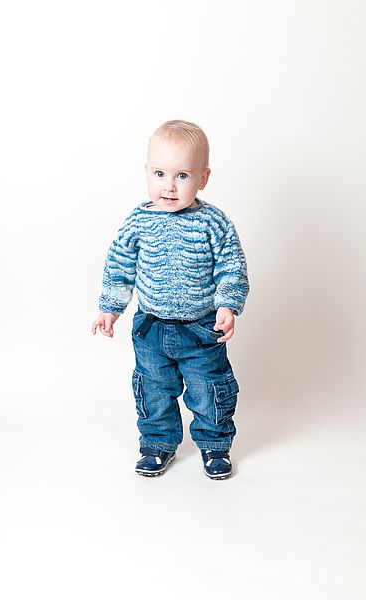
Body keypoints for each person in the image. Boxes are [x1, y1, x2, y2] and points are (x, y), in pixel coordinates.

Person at [92, 120, 249, 480]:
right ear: (146, 172)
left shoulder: (213, 222)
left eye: (182, 176)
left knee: (209, 388)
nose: (169, 185)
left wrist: (228, 304)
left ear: (203, 178)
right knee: (153, 388)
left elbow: (231, 265)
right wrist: (110, 308)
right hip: (151, 327)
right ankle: (158, 443)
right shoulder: (138, 221)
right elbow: (119, 267)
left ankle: (215, 444)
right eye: (160, 173)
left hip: (201, 327)